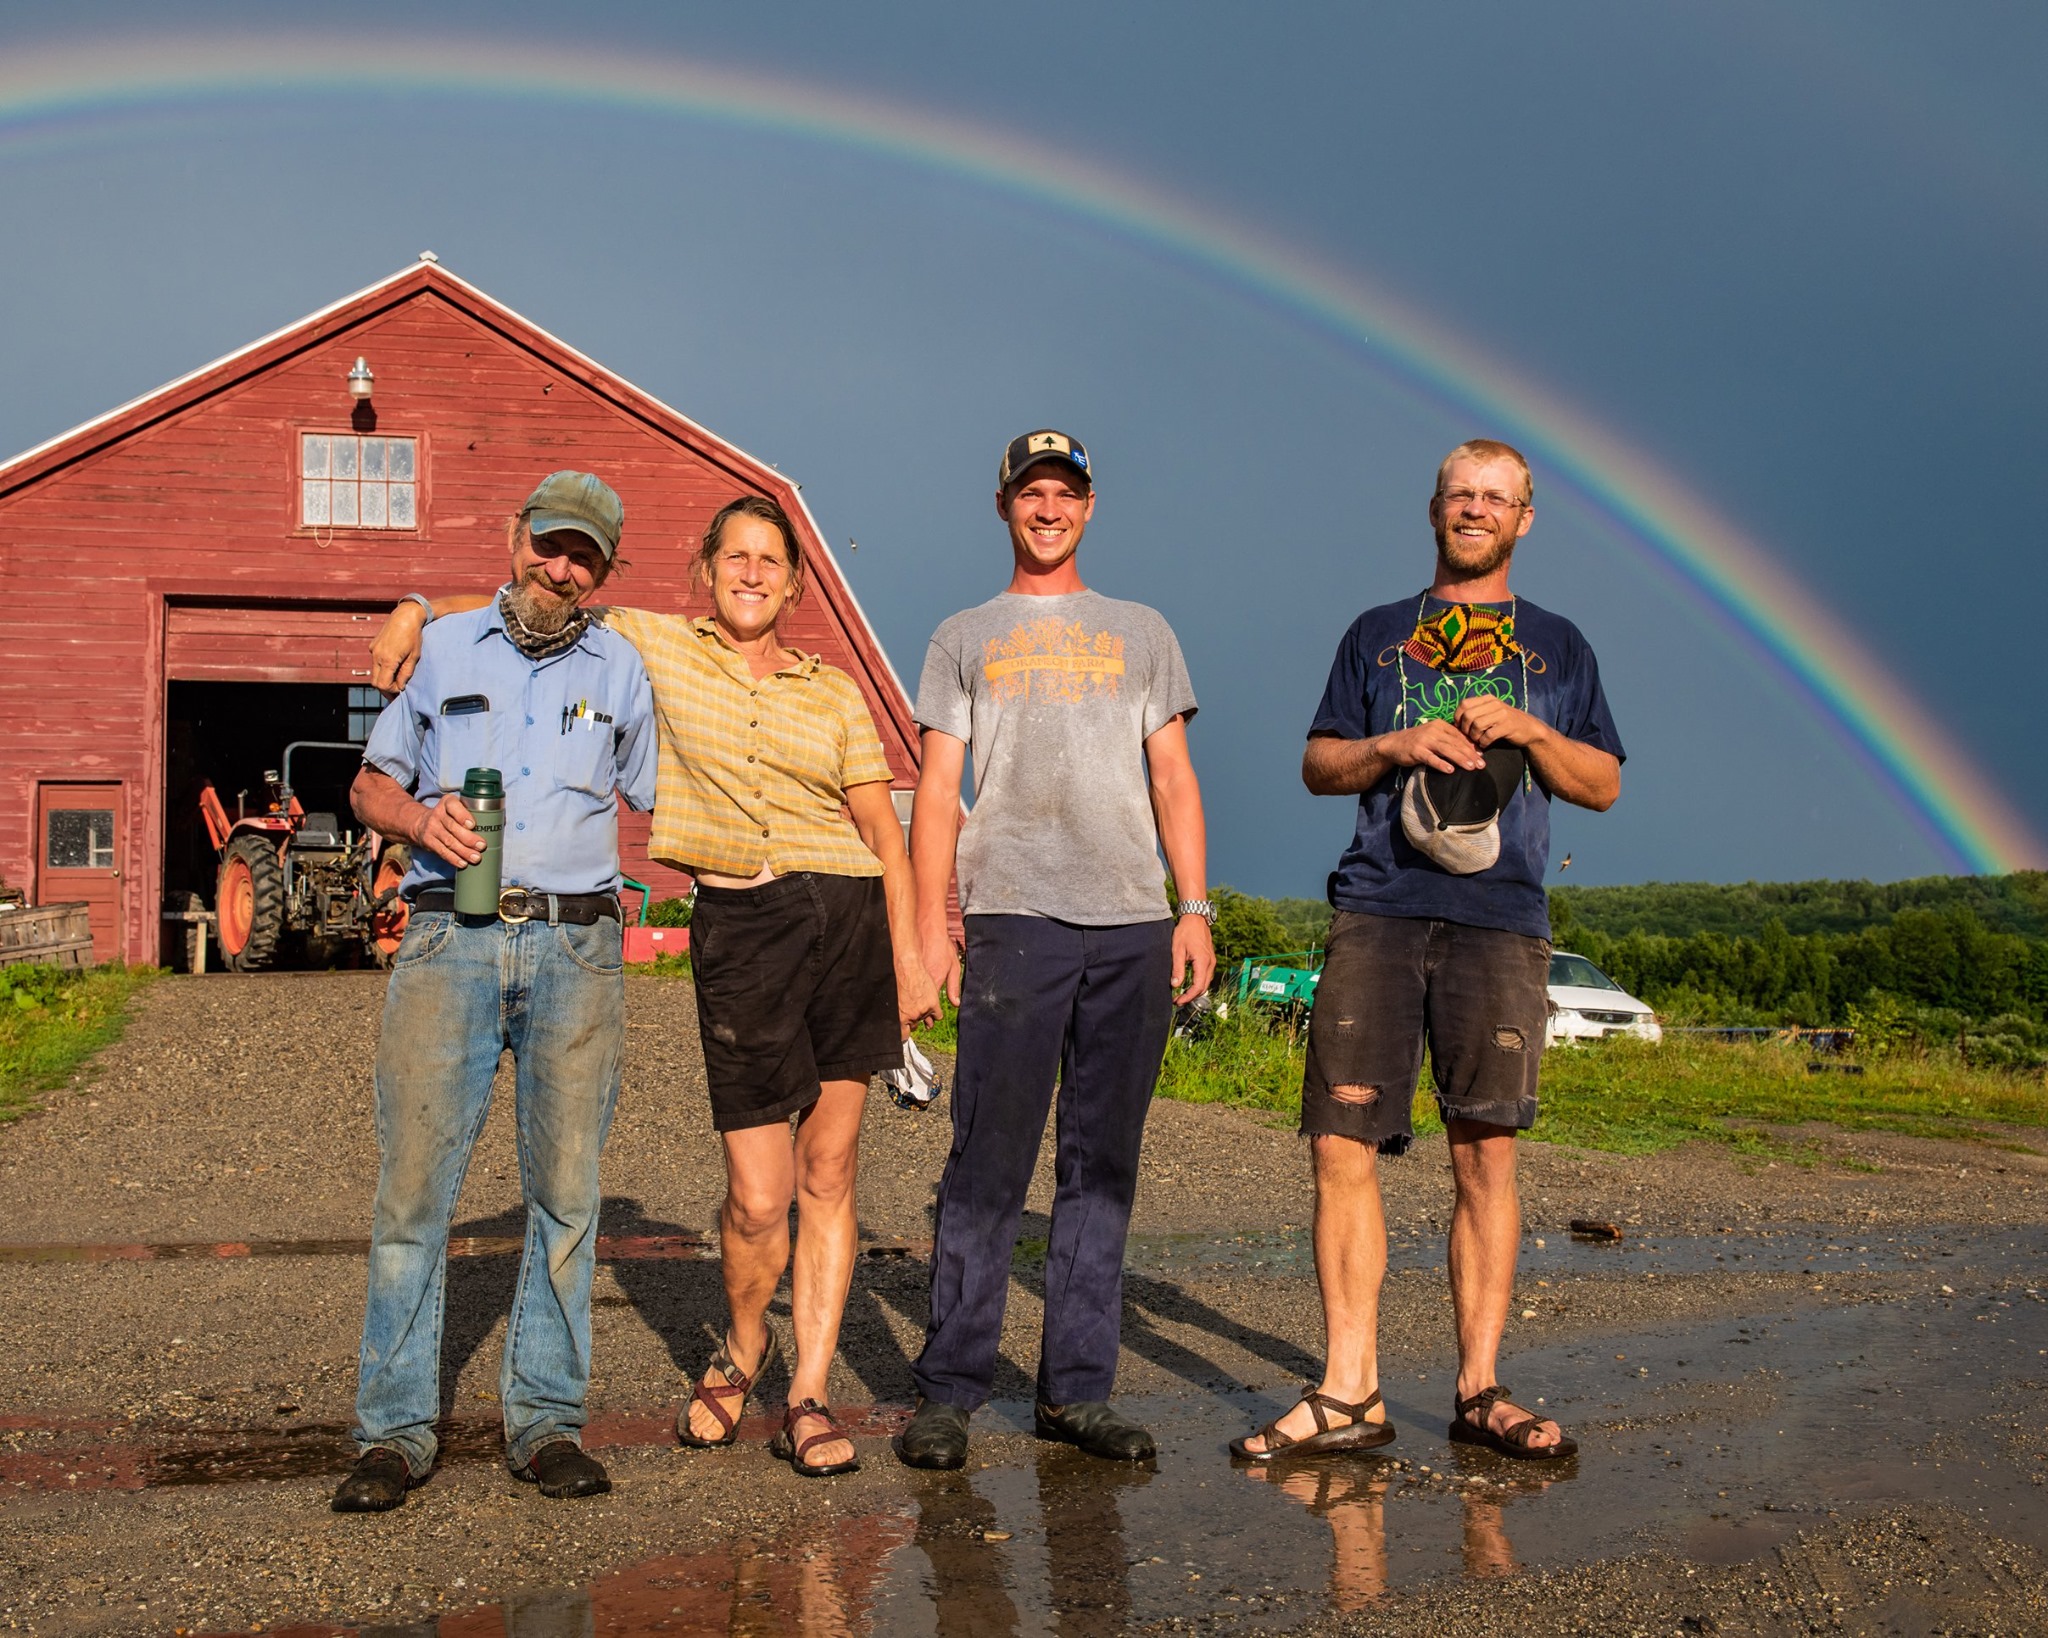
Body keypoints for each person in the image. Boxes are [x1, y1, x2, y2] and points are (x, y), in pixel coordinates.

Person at [368, 494, 939, 1479]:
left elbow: (883, 833)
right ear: (704, 571)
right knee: (759, 1198)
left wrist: (917, 949)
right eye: (736, 557)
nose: (753, 573)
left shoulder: (832, 689)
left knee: (831, 1172)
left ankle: (806, 1392)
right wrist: (417, 604)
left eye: (772, 559)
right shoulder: (650, 649)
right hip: (743, 931)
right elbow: (533, 600)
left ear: (796, 581)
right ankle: (742, 1344)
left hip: (846, 926)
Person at [1230, 439, 1622, 1465]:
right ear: (1434, 509)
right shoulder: (1373, 636)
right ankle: (1348, 1390)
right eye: (1459, 494)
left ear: (1524, 519)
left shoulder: (1558, 647)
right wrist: (1395, 746)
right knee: (1339, 1144)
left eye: (1495, 497)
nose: (1474, 509)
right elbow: (1318, 763)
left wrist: (1528, 734)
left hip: (1499, 918)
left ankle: (1478, 1388)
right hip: (1377, 909)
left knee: (1483, 1152)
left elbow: (1600, 784)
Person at [333, 471, 657, 1511]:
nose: (560, 570)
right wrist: (420, 824)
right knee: (412, 1196)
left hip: (576, 953)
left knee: (567, 1200)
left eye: (584, 558)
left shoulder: (624, 669)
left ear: (603, 572)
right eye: (549, 545)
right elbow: (367, 785)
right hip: (448, 939)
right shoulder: (442, 650)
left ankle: (546, 1423)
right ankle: (391, 1433)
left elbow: (671, 791)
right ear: (514, 535)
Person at [894, 430, 1216, 1471]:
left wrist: (1194, 907)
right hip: (1012, 921)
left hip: (1128, 924)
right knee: (986, 1162)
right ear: (1002, 506)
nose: (1048, 508)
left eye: (1064, 493)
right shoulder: (961, 635)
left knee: (1100, 1169)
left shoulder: (1142, 631)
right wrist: (929, 929)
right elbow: (937, 794)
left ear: (1089, 506)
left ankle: (1076, 1393)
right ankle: (949, 1389)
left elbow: (1171, 777)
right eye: (1030, 492)